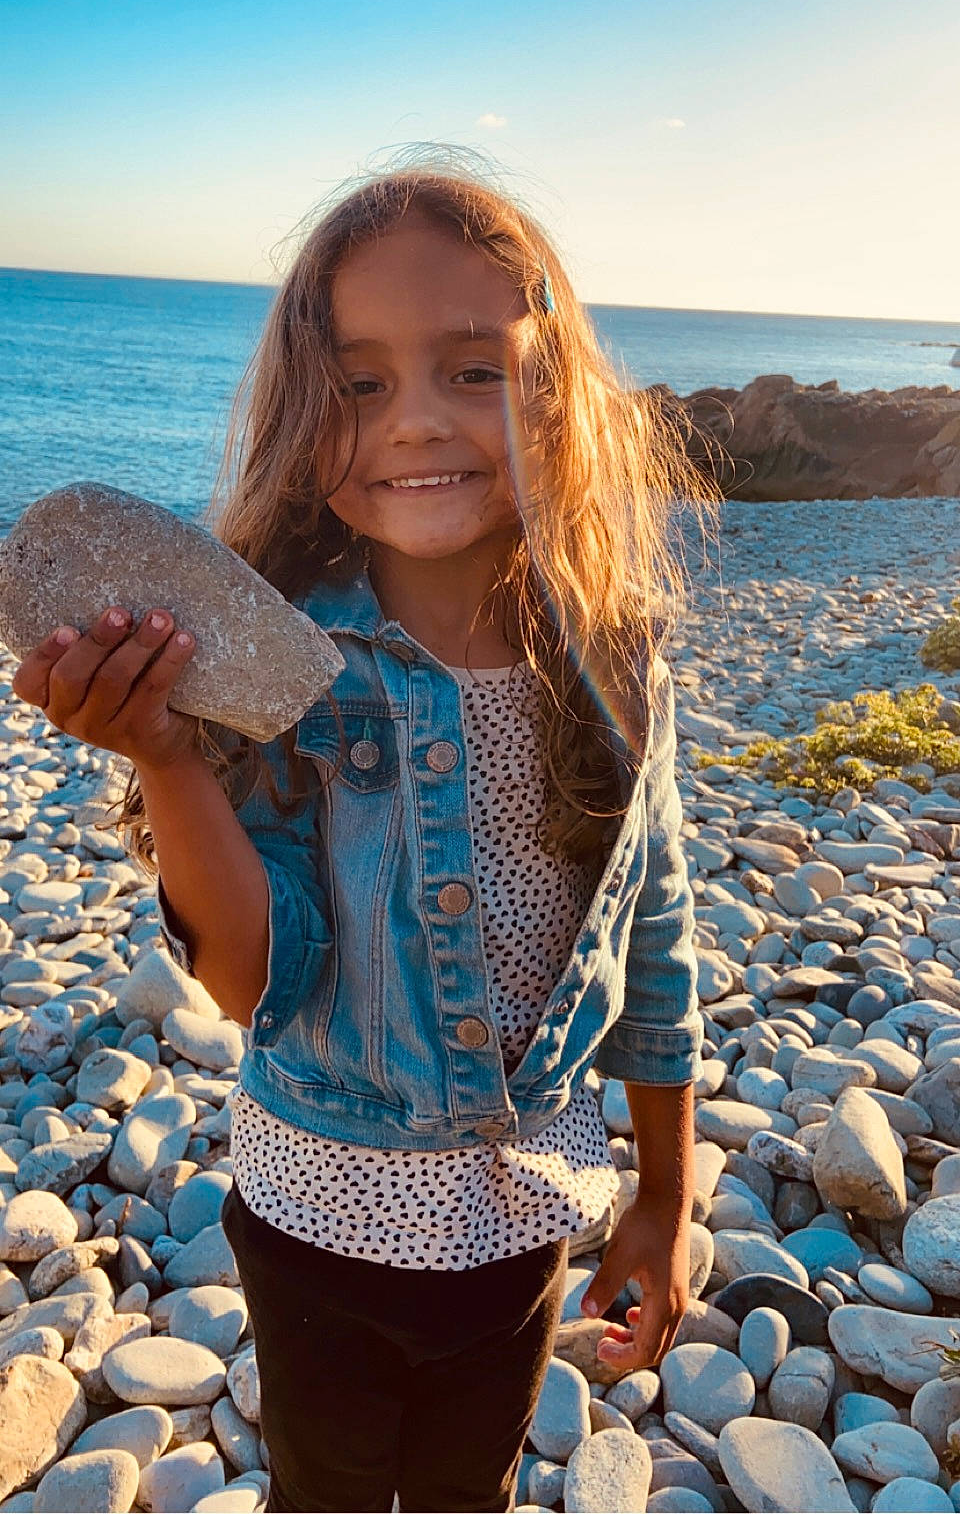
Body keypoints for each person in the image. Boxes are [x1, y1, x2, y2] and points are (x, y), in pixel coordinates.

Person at [13, 156, 711, 1514]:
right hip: (315, 1219)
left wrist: (666, 1198)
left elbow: (659, 941)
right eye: (361, 383)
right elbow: (249, 981)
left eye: (474, 369)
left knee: (470, 1491)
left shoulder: (615, 663)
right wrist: (165, 754)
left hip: (525, 1213)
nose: (416, 422)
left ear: (560, 397)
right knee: (322, 1495)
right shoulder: (280, 669)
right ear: (304, 416)